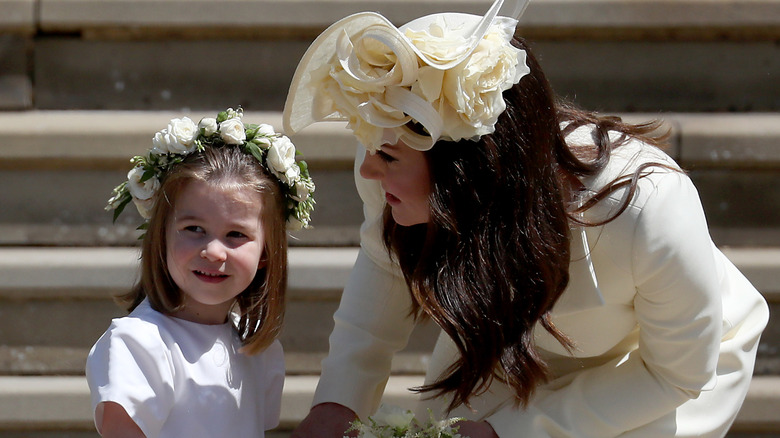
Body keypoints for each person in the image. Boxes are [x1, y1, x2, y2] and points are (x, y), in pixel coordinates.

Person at [281, 0, 770, 436]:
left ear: (467, 170)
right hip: (510, 337)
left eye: (386, 157)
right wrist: (338, 403)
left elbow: (676, 374)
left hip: (657, 369)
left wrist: (510, 430)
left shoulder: (649, 208)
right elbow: (384, 271)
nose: (367, 169)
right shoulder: (387, 160)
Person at [86, 108, 315, 438]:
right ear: (161, 236)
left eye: (236, 235)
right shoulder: (139, 345)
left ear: (266, 253)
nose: (213, 251)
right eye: (194, 228)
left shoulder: (254, 347)